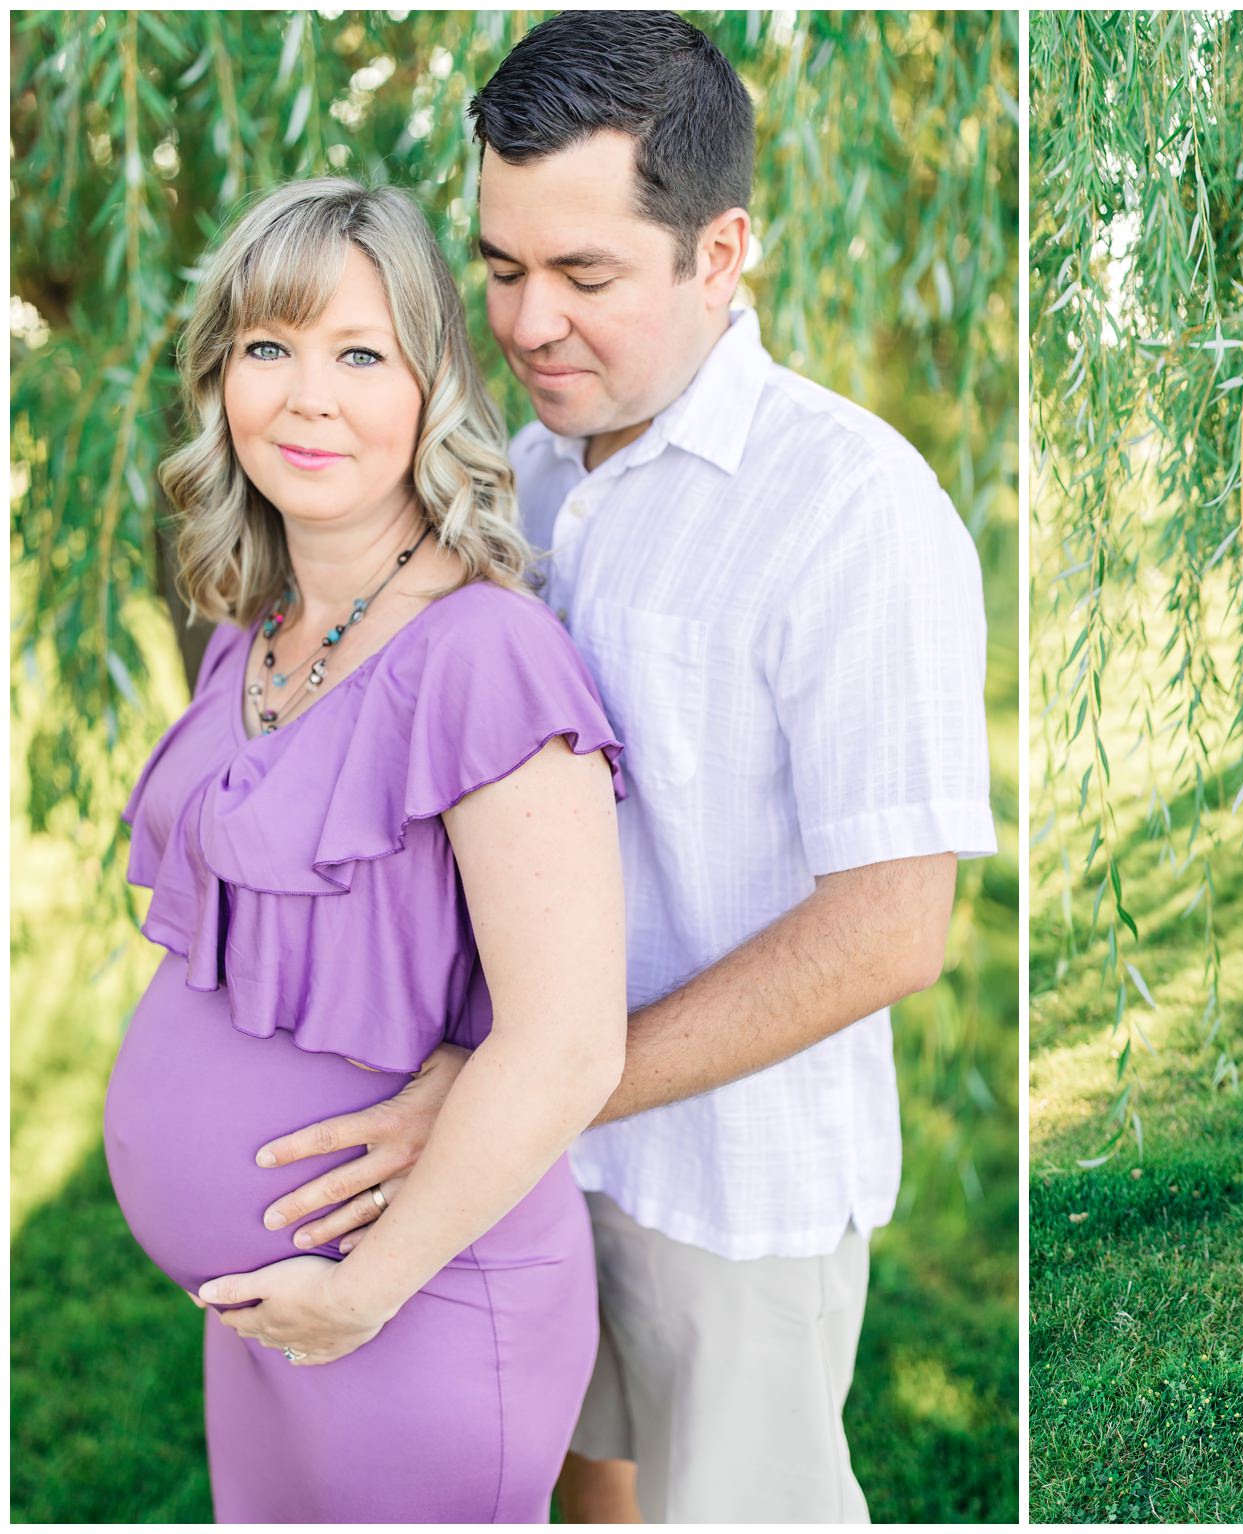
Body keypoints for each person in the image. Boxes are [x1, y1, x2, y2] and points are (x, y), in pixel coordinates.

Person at [249, 13, 995, 1522]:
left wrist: (541, 1084)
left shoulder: (854, 508)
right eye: (502, 266)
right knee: (568, 1490)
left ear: (722, 252)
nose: (525, 325)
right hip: (520, 1168)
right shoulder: (511, 477)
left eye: (585, 277)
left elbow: (893, 929)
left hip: (731, 1185)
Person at [103, 178, 629, 1520]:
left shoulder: (484, 655)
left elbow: (571, 1042)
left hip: (417, 1306)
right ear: (222, 375)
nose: (308, 396)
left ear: (431, 385)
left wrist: (362, 1288)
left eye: (360, 354)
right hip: (268, 1316)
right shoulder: (249, 637)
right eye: (269, 348)